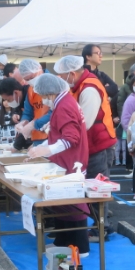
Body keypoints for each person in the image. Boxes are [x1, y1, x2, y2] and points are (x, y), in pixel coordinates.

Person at [25, 74, 90, 252]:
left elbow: (71, 139)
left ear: (49, 93)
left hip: (71, 162)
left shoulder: (64, 106)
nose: (43, 100)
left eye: (42, 96)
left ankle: (80, 246)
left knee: (73, 203)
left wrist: (47, 149)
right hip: (66, 161)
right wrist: (43, 147)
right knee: (63, 202)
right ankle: (63, 241)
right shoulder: (64, 102)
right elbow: (59, 134)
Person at [52, 55, 117, 180]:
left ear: (72, 74)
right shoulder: (78, 87)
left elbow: (84, 122)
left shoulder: (89, 89)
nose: (61, 80)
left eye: (62, 76)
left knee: (96, 186)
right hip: (90, 144)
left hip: (98, 146)